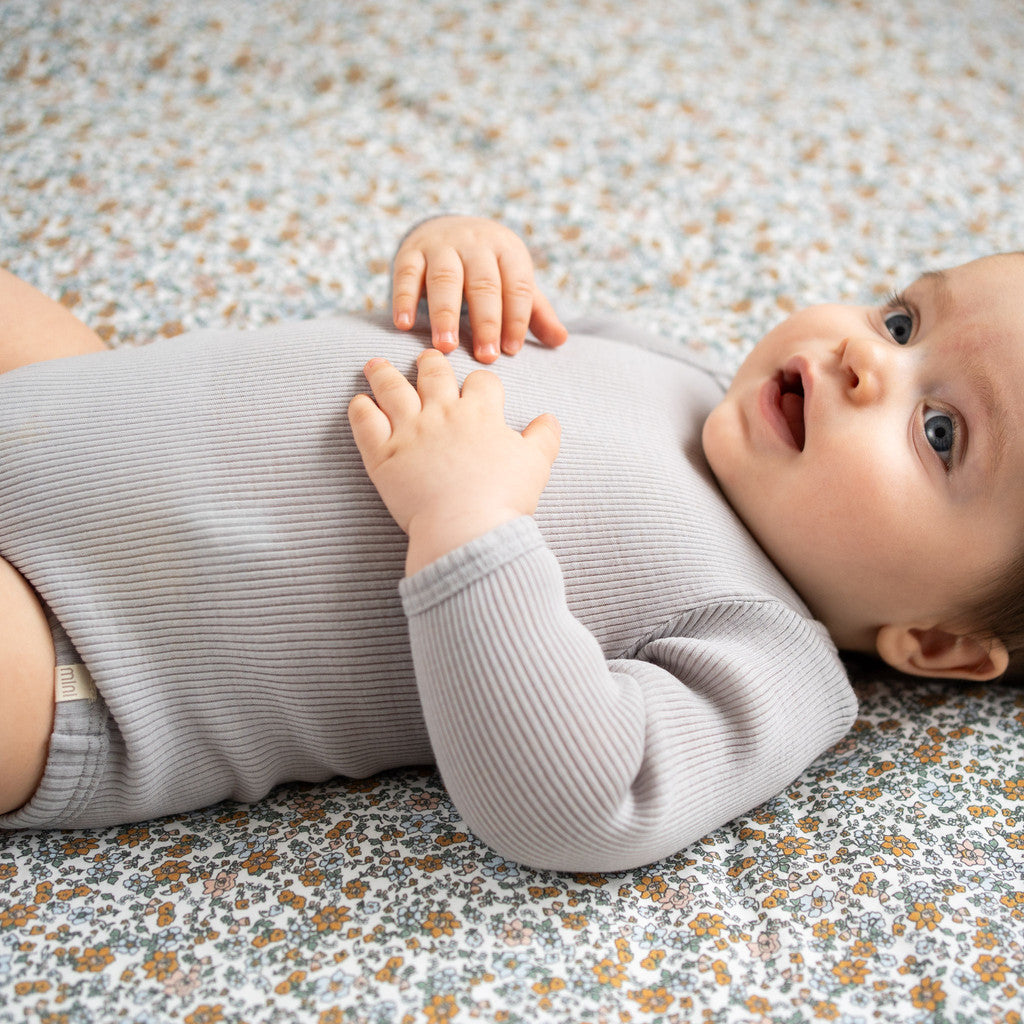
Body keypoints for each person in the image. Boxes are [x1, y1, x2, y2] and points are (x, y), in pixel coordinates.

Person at [0, 216, 1020, 872]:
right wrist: (463, 258)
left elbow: (584, 803)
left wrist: (468, 522)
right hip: (81, 403)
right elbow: (459, 333)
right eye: (901, 320)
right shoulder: (673, 369)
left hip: (81, 650)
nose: (863, 358)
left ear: (935, 643)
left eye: (941, 432)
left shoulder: (773, 657)